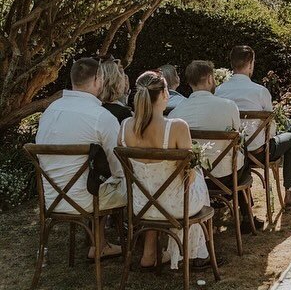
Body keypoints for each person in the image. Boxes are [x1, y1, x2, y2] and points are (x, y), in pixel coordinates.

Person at [120, 71, 214, 270]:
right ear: (164, 94)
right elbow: (188, 178)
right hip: (176, 207)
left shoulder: (125, 126)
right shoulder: (177, 127)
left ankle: (150, 253)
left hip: (141, 206)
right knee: (197, 176)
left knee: (156, 189)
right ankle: (193, 253)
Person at [36, 57, 126, 260]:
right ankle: (145, 248)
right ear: (97, 80)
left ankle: (100, 242)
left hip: (51, 198)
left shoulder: (50, 111)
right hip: (88, 200)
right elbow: (120, 167)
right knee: (132, 185)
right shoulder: (100, 116)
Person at [168, 60, 263, 225]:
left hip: (191, 179)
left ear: (189, 82)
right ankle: (247, 214)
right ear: (211, 79)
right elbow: (238, 137)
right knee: (241, 154)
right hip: (225, 177)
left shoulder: (176, 113)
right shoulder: (228, 106)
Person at [215, 46, 291, 207]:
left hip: (230, 152)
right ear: (250, 64)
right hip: (259, 152)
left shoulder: (219, 91)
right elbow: (270, 129)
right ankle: (290, 192)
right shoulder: (260, 92)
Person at [98, 55, 133, 124]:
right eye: (123, 73)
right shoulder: (123, 114)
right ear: (117, 80)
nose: (125, 78)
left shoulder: (89, 105)